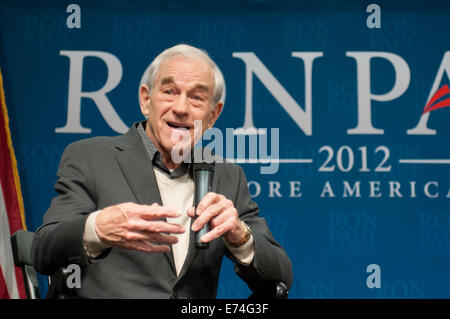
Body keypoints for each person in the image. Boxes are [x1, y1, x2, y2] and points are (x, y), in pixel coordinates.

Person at [31, 44, 293, 298]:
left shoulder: (227, 176)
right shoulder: (91, 157)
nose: (181, 108)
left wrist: (239, 235)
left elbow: (280, 278)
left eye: (197, 97)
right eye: (169, 91)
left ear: (213, 116)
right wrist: (97, 228)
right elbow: (43, 250)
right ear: (146, 100)